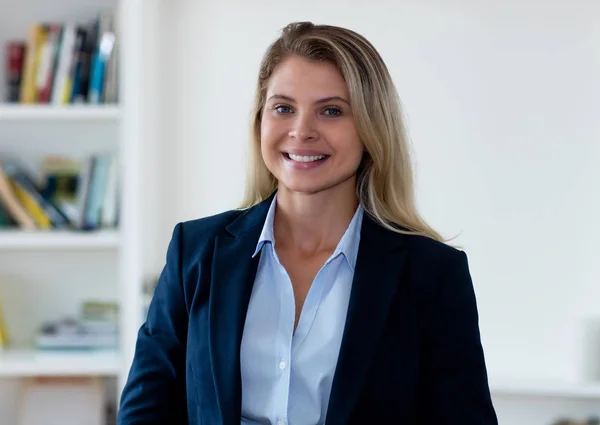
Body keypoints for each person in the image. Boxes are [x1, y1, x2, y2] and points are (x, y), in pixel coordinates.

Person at [117, 21, 498, 425]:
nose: (301, 131)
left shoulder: (433, 275)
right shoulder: (194, 251)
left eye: (331, 111)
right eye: (283, 108)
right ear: (260, 120)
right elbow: (146, 410)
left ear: (371, 129)